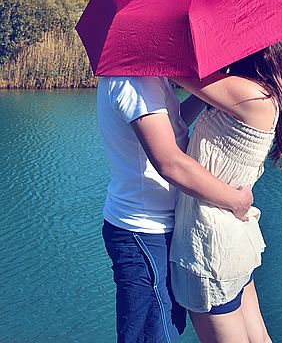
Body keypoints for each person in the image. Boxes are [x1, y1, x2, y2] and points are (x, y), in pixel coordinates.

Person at [97, 75, 253, 343]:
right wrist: (234, 200)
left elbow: (169, 122)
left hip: (160, 226)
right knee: (150, 335)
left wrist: (209, 97)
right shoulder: (132, 81)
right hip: (144, 231)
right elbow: (169, 162)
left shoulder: (149, 78)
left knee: (162, 327)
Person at [169, 40, 282, 343]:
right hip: (234, 239)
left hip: (210, 246)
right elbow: (182, 118)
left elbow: (171, 68)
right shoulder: (262, 94)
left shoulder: (249, 94)